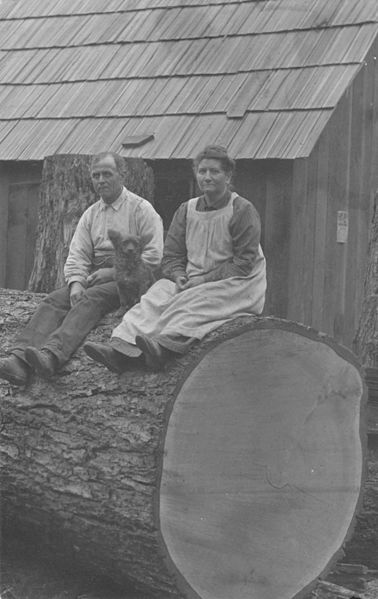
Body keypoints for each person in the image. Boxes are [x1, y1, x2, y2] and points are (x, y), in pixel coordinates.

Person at [83, 145, 266, 373]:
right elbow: (172, 256)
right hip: (193, 279)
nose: (206, 177)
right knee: (155, 295)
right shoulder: (187, 210)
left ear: (227, 176)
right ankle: (120, 348)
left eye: (214, 172)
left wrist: (203, 280)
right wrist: (178, 274)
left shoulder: (242, 210)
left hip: (237, 283)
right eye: (202, 171)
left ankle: (162, 349)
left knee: (191, 304)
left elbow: (244, 262)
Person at [0, 151, 163, 386]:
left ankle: (52, 356)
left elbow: (154, 256)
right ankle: (19, 361)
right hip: (95, 276)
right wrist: (76, 282)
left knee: (92, 298)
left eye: (107, 174)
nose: (101, 180)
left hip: (132, 282)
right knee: (55, 300)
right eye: (96, 175)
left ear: (123, 175)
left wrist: (114, 272)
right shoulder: (91, 214)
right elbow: (78, 254)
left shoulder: (141, 210)